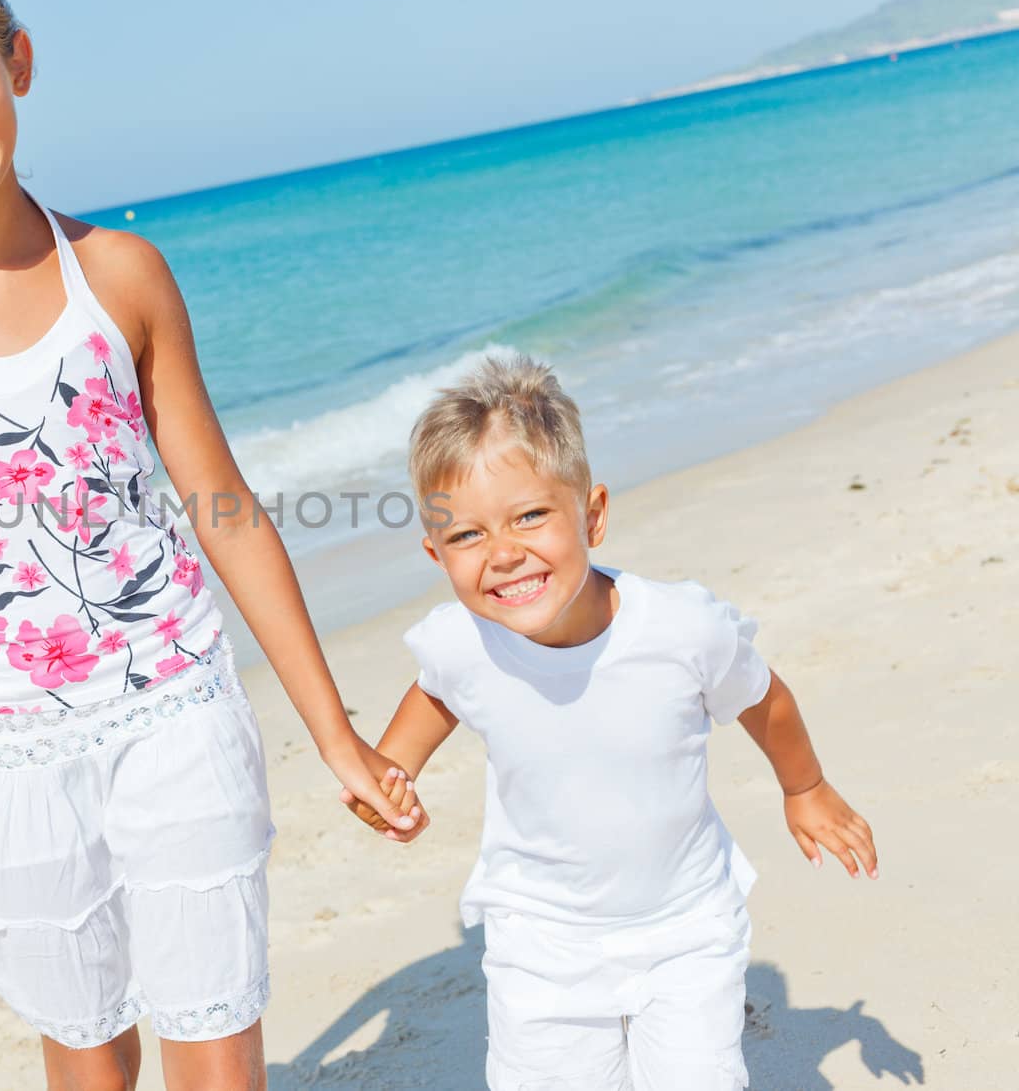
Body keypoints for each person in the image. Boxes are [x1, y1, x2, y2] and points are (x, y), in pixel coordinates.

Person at [0, 0, 414, 1090]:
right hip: (2, 746)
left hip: (172, 702)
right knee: (87, 1055)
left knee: (216, 1047)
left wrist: (334, 729)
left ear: (17, 62)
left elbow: (221, 505)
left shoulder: (120, 275)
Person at [341, 354, 878, 1090]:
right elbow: (435, 694)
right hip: (540, 941)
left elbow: (764, 696)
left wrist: (806, 786)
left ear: (591, 513)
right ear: (436, 553)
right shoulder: (461, 641)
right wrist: (390, 775)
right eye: (467, 536)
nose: (503, 553)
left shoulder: (681, 630)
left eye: (530, 515)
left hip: (686, 926)